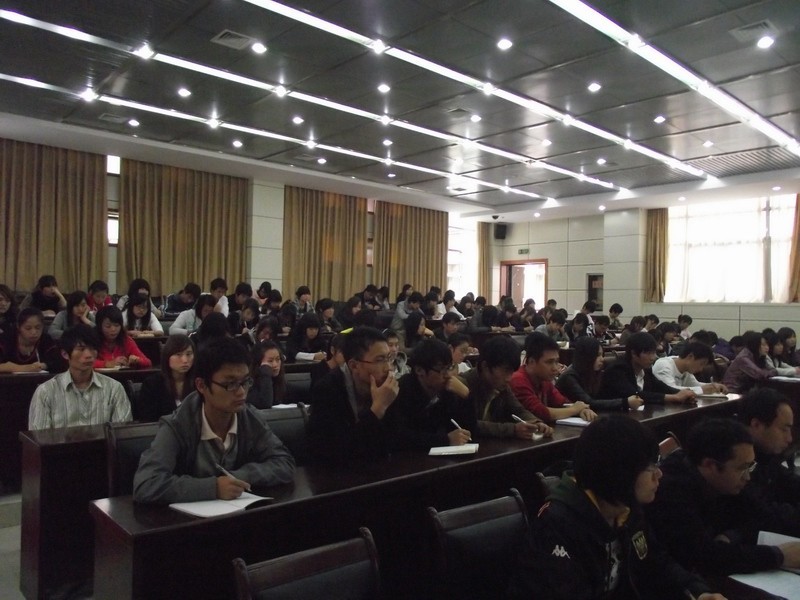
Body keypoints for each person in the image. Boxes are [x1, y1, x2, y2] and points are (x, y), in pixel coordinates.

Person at [508, 417, 726, 600]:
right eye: (650, 468)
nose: (659, 474)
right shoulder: (557, 526)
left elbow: (656, 562)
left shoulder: (625, 508)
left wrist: (697, 591)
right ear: (619, 472)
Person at [132, 337, 295, 504]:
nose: (241, 392)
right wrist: (213, 487)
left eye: (245, 382)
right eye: (230, 384)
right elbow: (146, 484)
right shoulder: (178, 424)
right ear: (201, 385)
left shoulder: (249, 417)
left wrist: (242, 475)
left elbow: (285, 463)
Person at [646, 418, 800, 575]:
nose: (747, 477)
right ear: (710, 465)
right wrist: (778, 555)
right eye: (742, 468)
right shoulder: (670, 492)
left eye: (750, 466)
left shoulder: (728, 479)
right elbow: (703, 557)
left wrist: (734, 535)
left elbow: (762, 514)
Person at [307, 327, 399, 465]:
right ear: (354, 365)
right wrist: (378, 409)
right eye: (380, 360)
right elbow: (335, 451)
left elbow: (395, 442)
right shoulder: (327, 390)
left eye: (389, 359)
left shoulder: (387, 388)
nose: (388, 367)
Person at [28, 325, 132, 430]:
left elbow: (122, 433)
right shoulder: (46, 391)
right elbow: (39, 436)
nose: (88, 355)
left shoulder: (114, 388)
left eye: (92, 349)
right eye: (81, 349)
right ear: (65, 354)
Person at [384, 338, 476, 451]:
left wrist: (467, 396)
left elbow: (469, 432)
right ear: (419, 370)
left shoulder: (447, 390)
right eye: (442, 369)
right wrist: (445, 440)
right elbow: (400, 437)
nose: (448, 375)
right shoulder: (401, 390)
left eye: (449, 368)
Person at [462, 335, 552, 440]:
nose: (509, 378)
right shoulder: (463, 385)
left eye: (512, 372)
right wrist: (512, 430)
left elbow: (518, 410)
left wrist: (536, 423)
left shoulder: (501, 386)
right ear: (485, 366)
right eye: (505, 370)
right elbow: (468, 424)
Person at [738, 388, 800, 528]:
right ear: (756, 425)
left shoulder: (765, 453)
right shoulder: (736, 460)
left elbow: (786, 480)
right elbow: (762, 513)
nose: (789, 438)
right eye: (784, 429)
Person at [510, 332, 597, 424]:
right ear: (532, 362)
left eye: (556, 362)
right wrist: (575, 409)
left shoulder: (544, 380)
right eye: (549, 362)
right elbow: (541, 413)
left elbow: (562, 402)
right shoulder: (518, 380)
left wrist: (582, 410)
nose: (555, 368)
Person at [596, 332, 695, 406]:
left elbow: (659, 386)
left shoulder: (645, 369)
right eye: (648, 353)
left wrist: (680, 393)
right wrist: (674, 397)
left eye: (654, 352)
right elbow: (635, 395)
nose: (653, 357)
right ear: (634, 353)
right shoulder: (617, 370)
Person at [555, 336, 642, 411]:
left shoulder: (593, 373)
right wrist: (625, 402)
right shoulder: (569, 377)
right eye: (598, 355)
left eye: (602, 355)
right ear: (586, 357)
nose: (602, 359)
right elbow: (589, 403)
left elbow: (602, 397)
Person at [136, 335, 196, 422]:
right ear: (167, 356)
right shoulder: (152, 384)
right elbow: (147, 421)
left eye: (189, 354)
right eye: (178, 354)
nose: (185, 360)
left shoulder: (199, 382)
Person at [0, 308, 63, 373]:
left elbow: (59, 363)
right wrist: (22, 368)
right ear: (18, 327)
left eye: (38, 328)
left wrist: (43, 365)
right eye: (28, 328)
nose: (34, 332)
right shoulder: (6, 339)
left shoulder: (46, 340)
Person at [652, 342, 728, 394]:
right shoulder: (664, 365)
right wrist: (702, 389)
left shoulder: (686, 369)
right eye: (701, 364)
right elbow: (670, 390)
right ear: (690, 357)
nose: (701, 369)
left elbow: (695, 385)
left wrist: (713, 386)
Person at [246, 341, 285, 409]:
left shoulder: (278, 381)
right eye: (270, 361)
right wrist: (265, 371)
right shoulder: (249, 386)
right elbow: (266, 404)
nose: (275, 365)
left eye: (278, 359)